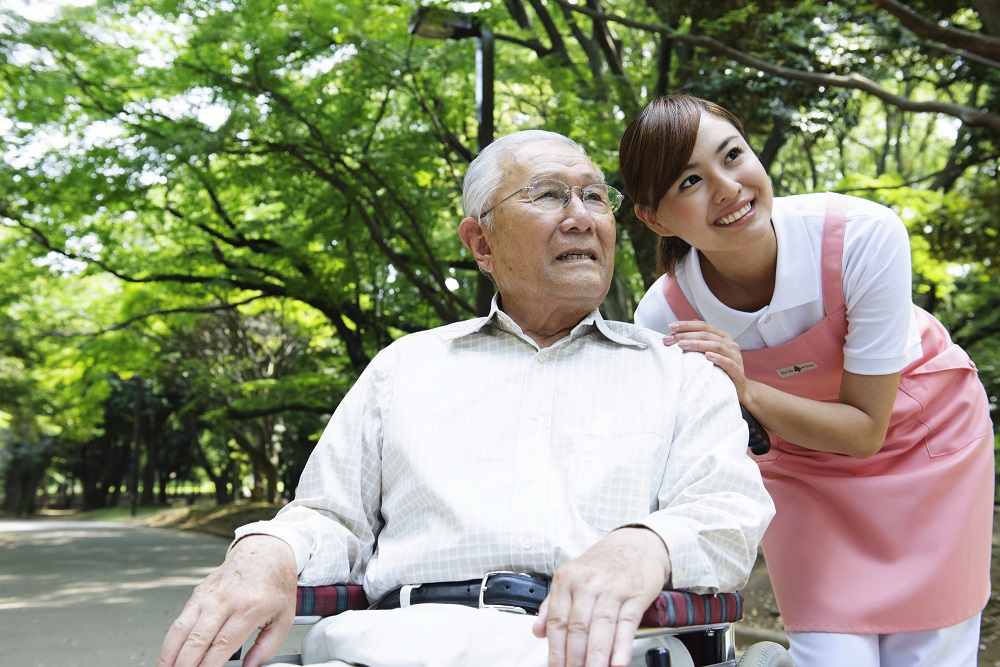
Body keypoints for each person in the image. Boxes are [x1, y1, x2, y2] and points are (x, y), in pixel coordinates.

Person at [157, 129, 775, 667]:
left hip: (591, 649)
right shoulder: (403, 367)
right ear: (481, 243)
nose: (582, 217)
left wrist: (646, 544)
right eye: (548, 195)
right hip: (392, 645)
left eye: (594, 197)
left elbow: (727, 513)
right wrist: (268, 551)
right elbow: (331, 516)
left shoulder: (679, 371)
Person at [618, 94, 996, 667]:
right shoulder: (665, 316)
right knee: (832, 655)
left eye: (733, 155)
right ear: (654, 218)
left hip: (927, 448)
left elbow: (865, 429)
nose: (728, 188)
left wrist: (747, 390)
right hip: (801, 475)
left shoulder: (862, 236)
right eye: (690, 181)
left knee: (930, 656)